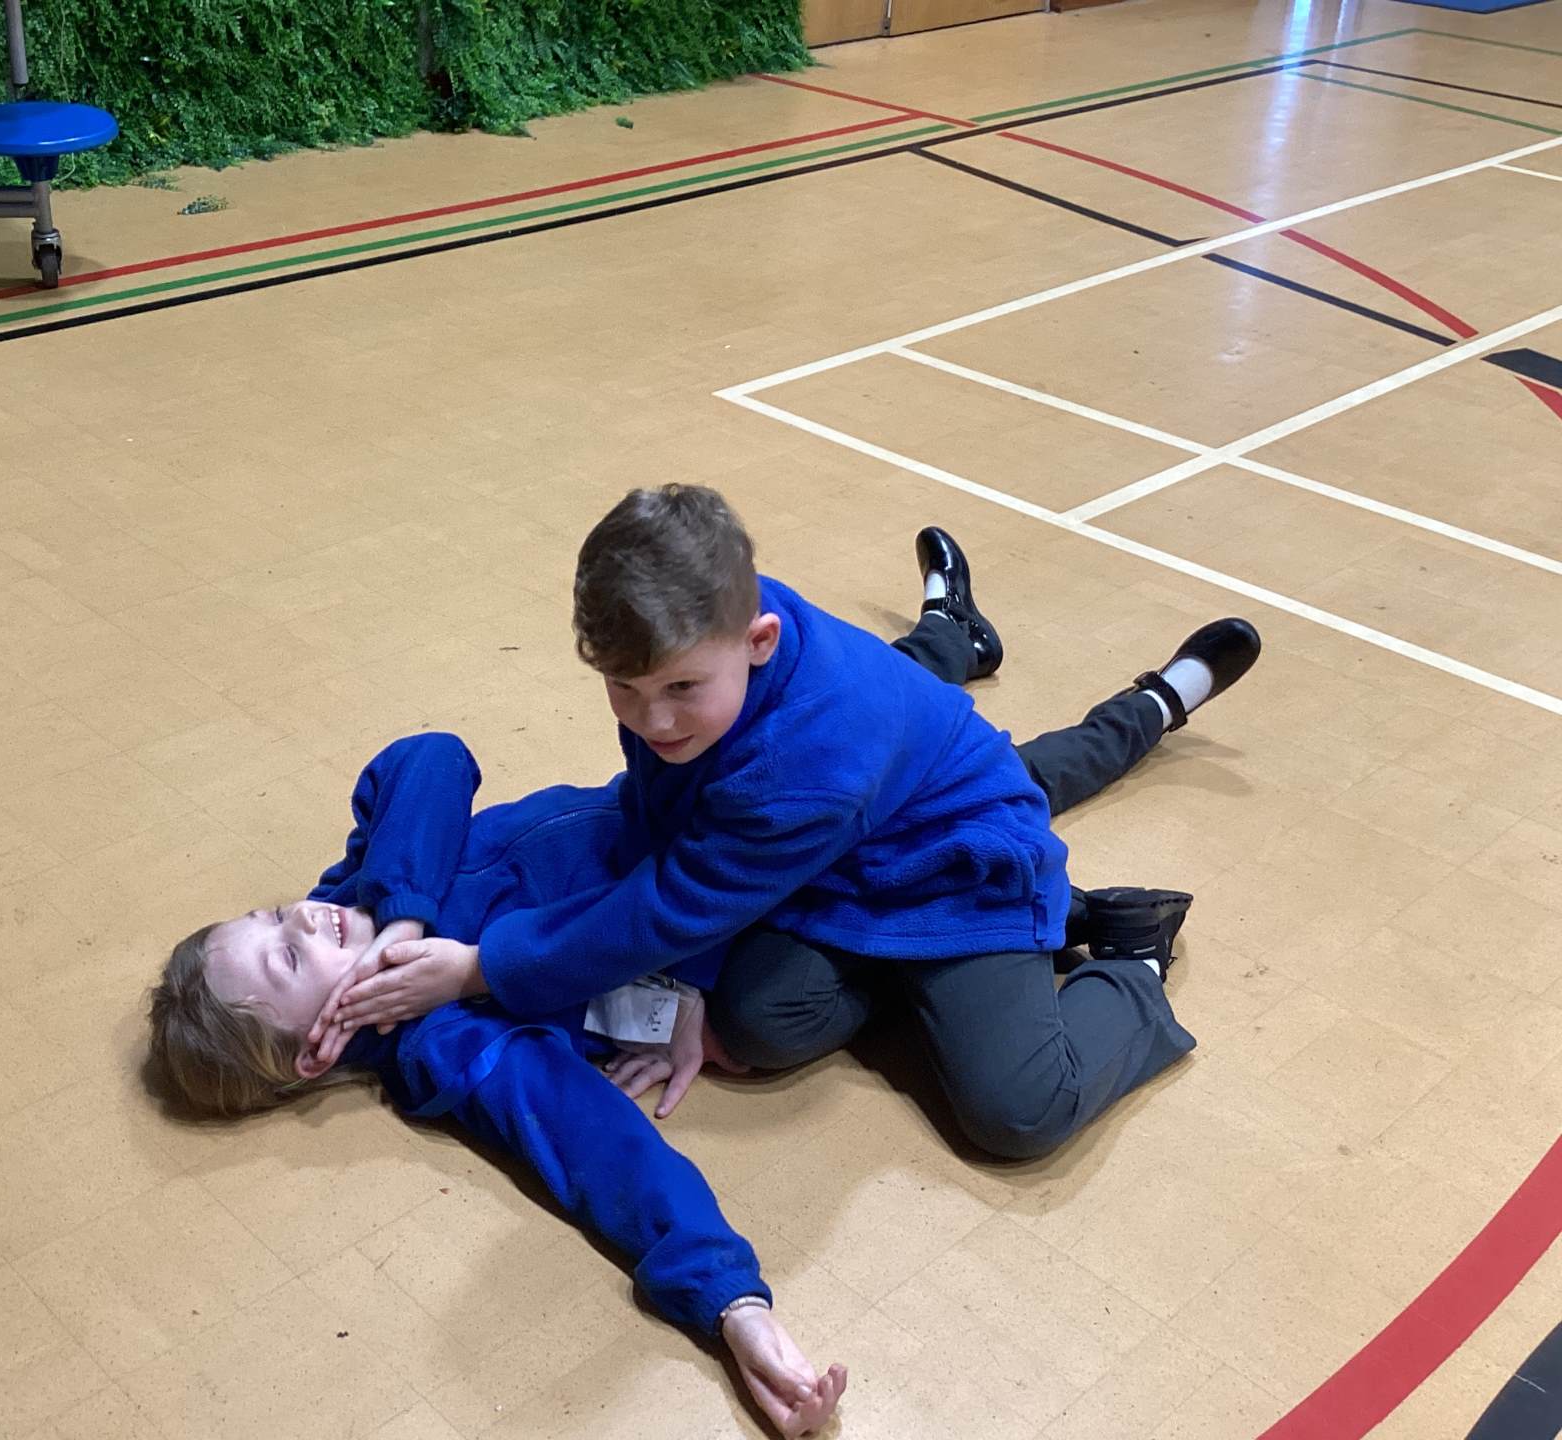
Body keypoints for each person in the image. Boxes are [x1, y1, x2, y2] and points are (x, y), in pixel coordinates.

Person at [322, 488, 1260, 1160]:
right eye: (624, 690)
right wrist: (686, 978)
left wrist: (483, 968)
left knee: (1017, 1112)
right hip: (850, 845)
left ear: (760, 640)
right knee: (757, 1023)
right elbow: (673, 829)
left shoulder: (804, 772)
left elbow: (674, 898)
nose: (652, 721)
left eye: (679, 690)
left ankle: (1131, 958)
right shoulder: (695, 653)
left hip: (954, 866)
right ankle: (966, 648)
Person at [149, 731, 847, 1438]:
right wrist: (733, 1304)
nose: (301, 916)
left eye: (269, 917)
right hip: (721, 912)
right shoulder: (448, 1044)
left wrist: (403, 912)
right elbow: (594, 1141)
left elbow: (433, 756)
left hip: (684, 810)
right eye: (288, 961)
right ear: (316, 1052)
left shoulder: (361, 887)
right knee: (775, 1012)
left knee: (826, 756)